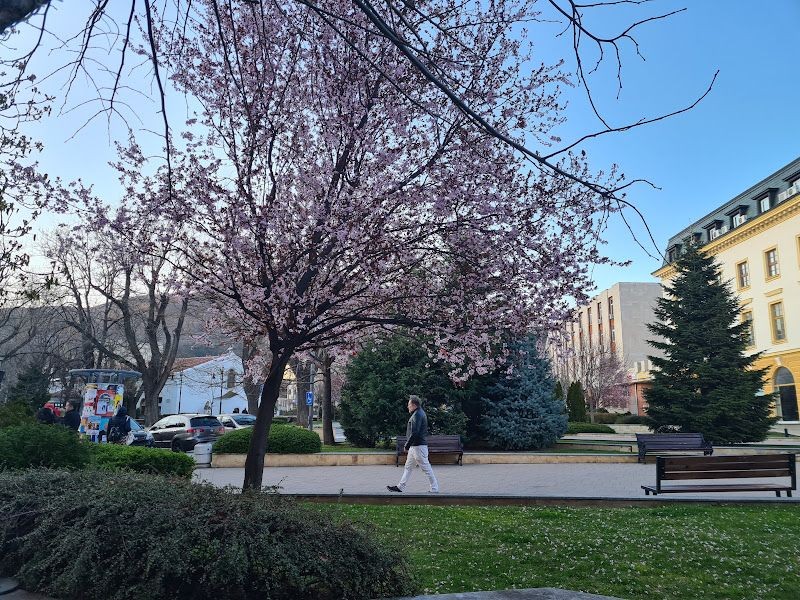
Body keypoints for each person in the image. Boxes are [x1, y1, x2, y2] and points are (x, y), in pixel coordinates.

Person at [387, 395, 439, 493]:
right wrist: (409, 445)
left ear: (414, 405)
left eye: (409, 404)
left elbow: (415, 432)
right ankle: (400, 487)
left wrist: (407, 445)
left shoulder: (417, 415)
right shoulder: (418, 413)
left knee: (426, 468)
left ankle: (434, 489)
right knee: (408, 467)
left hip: (418, 447)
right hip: (415, 447)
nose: (408, 406)